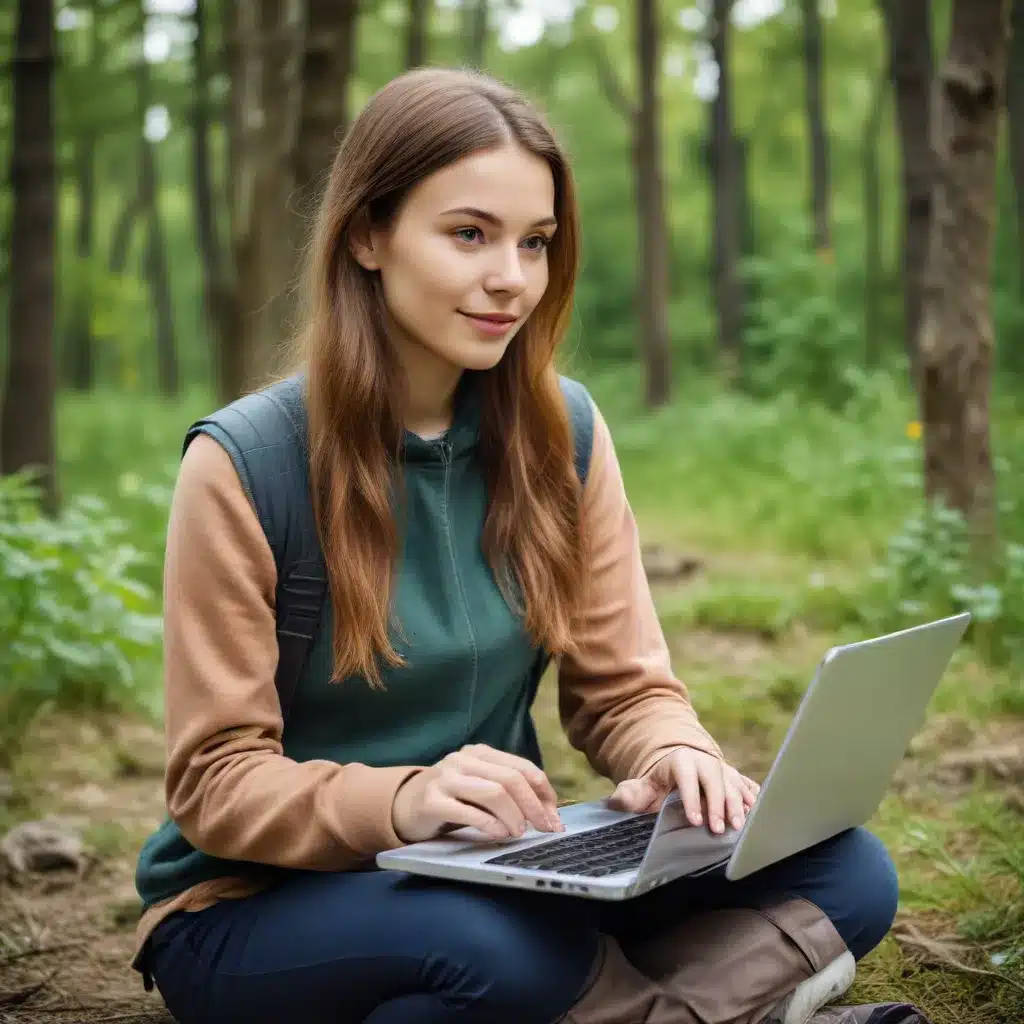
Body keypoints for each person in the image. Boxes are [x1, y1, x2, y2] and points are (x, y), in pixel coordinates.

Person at [132, 68, 907, 1024]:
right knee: (507, 950)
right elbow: (216, 783)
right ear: (368, 236)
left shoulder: (563, 435)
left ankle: (605, 1002)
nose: (512, 278)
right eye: (469, 234)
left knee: (849, 871)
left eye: (535, 243)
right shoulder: (243, 464)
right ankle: (731, 999)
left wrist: (673, 752)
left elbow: (623, 687)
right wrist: (408, 800)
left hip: (495, 871)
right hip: (257, 904)